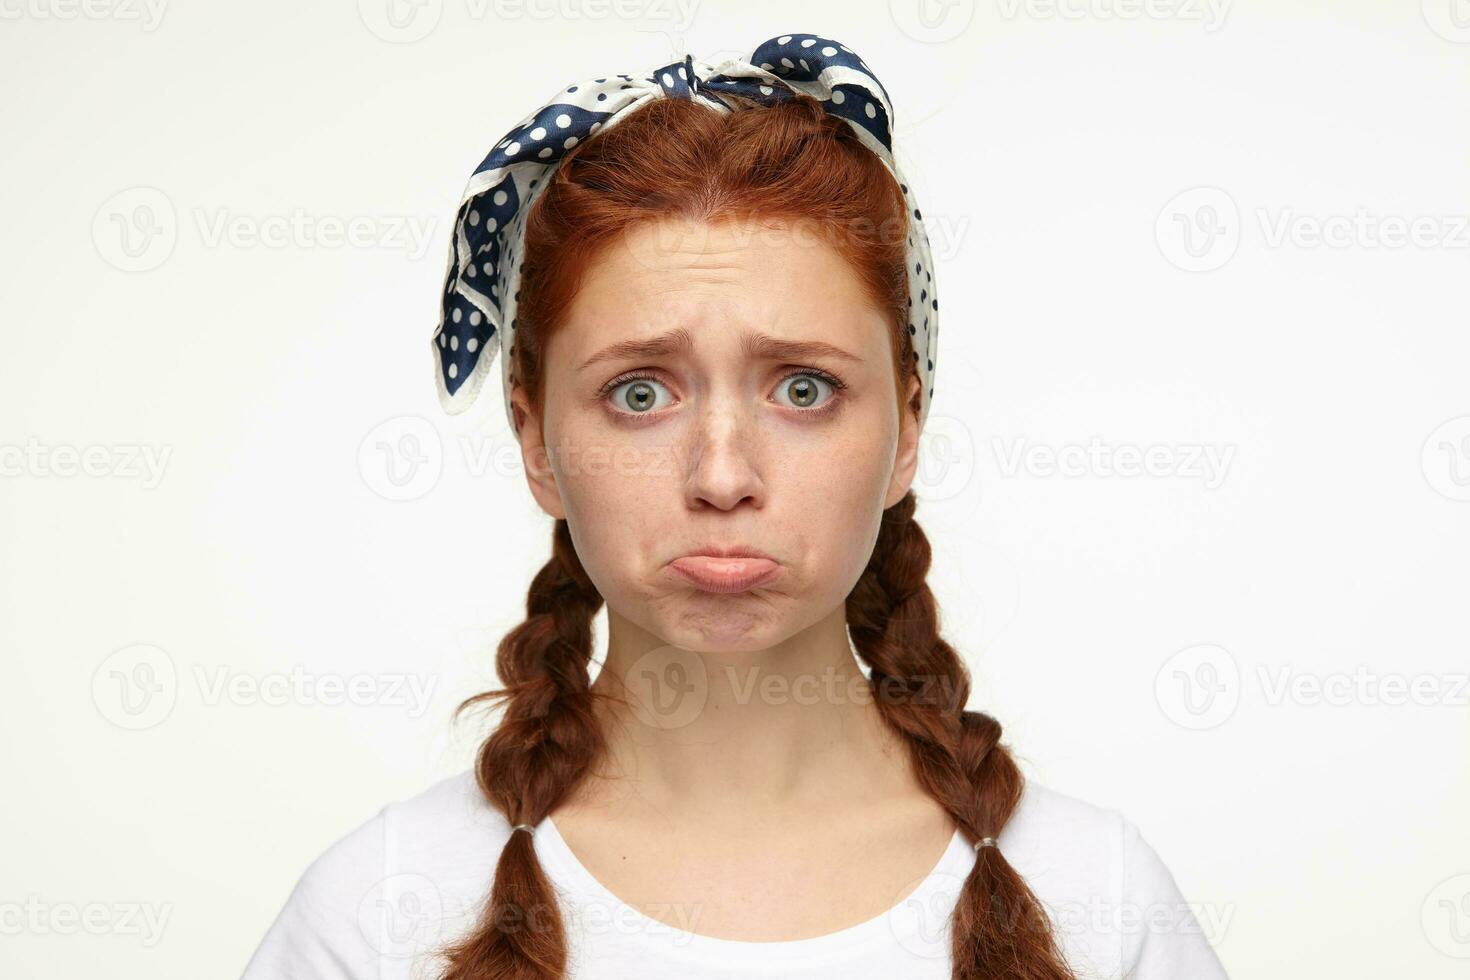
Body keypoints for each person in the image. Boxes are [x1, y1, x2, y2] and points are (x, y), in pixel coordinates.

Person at [240, 34, 1230, 980]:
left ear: (908, 429)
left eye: (803, 388)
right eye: (639, 392)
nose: (722, 475)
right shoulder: (376, 911)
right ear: (534, 437)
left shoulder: (1099, 897)